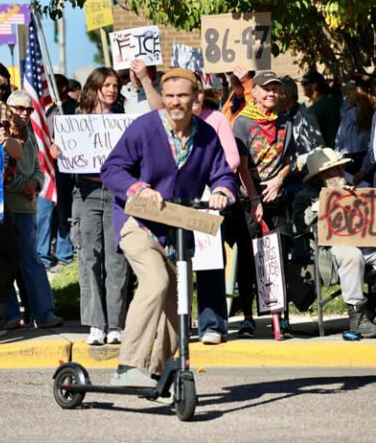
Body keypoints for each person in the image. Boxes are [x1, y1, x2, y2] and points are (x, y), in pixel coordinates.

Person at [100, 68, 236, 387]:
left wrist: (221, 191)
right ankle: (128, 366)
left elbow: (223, 174)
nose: (176, 102)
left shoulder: (206, 135)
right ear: (163, 97)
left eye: (183, 96)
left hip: (177, 227)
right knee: (157, 281)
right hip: (138, 222)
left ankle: (154, 369)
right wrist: (138, 188)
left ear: (196, 98)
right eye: (170, 96)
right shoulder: (144, 128)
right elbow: (112, 169)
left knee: (178, 304)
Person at [51, 68, 128, 346]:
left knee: (116, 258)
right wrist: (58, 154)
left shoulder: (124, 122)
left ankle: (116, 323)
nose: (112, 90)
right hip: (86, 193)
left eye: (115, 85)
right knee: (89, 258)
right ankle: (96, 323)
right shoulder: (77, 122)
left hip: (118, 195)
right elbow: (65, 159)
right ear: (94, 88)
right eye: (106, 85)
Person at [232, 71, 294, 337]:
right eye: (266, 89)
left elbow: (290, 158)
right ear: (254, 92)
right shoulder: (242, 123)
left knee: (277, 257)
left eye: (275, 90)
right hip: (250, 200)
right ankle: (248, 316)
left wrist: (279, 179)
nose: (271, 94)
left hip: (277, 199)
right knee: (248, 257)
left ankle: (282, 315)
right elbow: (241, 167)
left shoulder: (285, 122)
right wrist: (255, 198)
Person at [293, 148, 376, 338]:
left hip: (364, 244)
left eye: (340, 168)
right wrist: (331, 200)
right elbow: (301, 223)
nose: (340, 172)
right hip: (330, 250)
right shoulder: (305, 197)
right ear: (320, 175)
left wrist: (356, 198)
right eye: (334, 170)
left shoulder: (354, 187)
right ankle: (358, 319)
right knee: (352, 255)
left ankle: (372, 307)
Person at [3, 89, 63, 329]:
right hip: (5, 207)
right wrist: (22, 185)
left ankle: (43, 313)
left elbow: (38, 167)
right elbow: (0, 172)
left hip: (27, 206)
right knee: (4, 262)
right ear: (9, 108)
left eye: (29, 109)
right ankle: (8, 315)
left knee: (32, 259)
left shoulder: (29, 134)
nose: (25, 113)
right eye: (20, 108)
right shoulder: (2, 133)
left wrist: (35, 183)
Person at [192, 75, 240, 345]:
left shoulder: (216, 120)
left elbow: (231, 158)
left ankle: (212, 325)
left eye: (199, 93)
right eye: (190, 93)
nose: (195, 98)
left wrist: (218, 187)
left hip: (209, 201)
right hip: (175, 202)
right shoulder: (165, 123)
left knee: (209, 265)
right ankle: (176, 324)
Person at [37, 74, 78, 271]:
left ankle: (64, 254)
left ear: (63, 87)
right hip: (46, 167)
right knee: (43, 213)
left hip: (66, 168)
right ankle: (42, 255)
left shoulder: (75, 109)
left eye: (54, 86)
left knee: (64, 212)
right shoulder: (46, 109)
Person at [335, 77, 372, 173]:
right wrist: (339, 157)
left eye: (351, 89)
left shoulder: (372, 114)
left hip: (367, 164)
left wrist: (364, 169)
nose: (348, 94)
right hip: (348, 162)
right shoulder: (347, 115)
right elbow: (339, 140)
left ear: (360, 90)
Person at [301, 71, 340, 147]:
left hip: (326, 151)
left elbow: (333, 130)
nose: (302, 86)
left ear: (314, 84)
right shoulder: (302, 106)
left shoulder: (328, 104)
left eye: (304, 83)